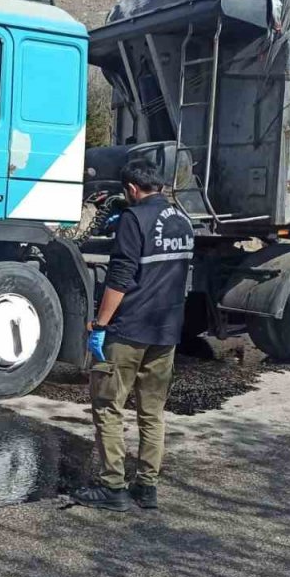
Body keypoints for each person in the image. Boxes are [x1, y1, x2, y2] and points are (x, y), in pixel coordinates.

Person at [72, 161, 195, 512]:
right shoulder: (183, 220)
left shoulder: (133, 219)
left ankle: (113, 486)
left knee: (109, 407)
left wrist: (99, 324)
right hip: (166, 331)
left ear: (131, 189)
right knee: (152, 411)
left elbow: (120, 277)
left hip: (129, 331)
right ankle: (147, 486)